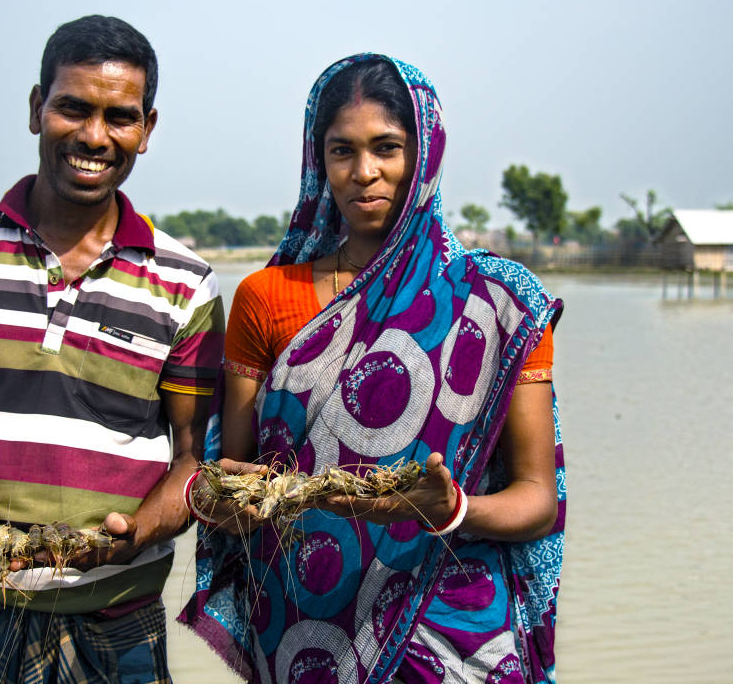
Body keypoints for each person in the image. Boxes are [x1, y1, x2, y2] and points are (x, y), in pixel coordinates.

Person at [0, 15, 225, 684]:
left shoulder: (186, 286)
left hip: (116, 619)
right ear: (37, 108)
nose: (93, 136)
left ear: (146, 129)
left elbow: (194, 464)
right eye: (73, 108)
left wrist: (138, 532)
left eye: (119, 116)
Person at [181, 55, 564, 684]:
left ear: (425, 155)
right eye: (342, 152)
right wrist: (225, 496)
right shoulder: (267, 298)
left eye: (387, 147)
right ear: (318, 162)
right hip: (306, 627)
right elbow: (230, 476)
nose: (364, 173)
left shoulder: (496, 302)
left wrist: (450, 509)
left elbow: (537, 500)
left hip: (452, 632)